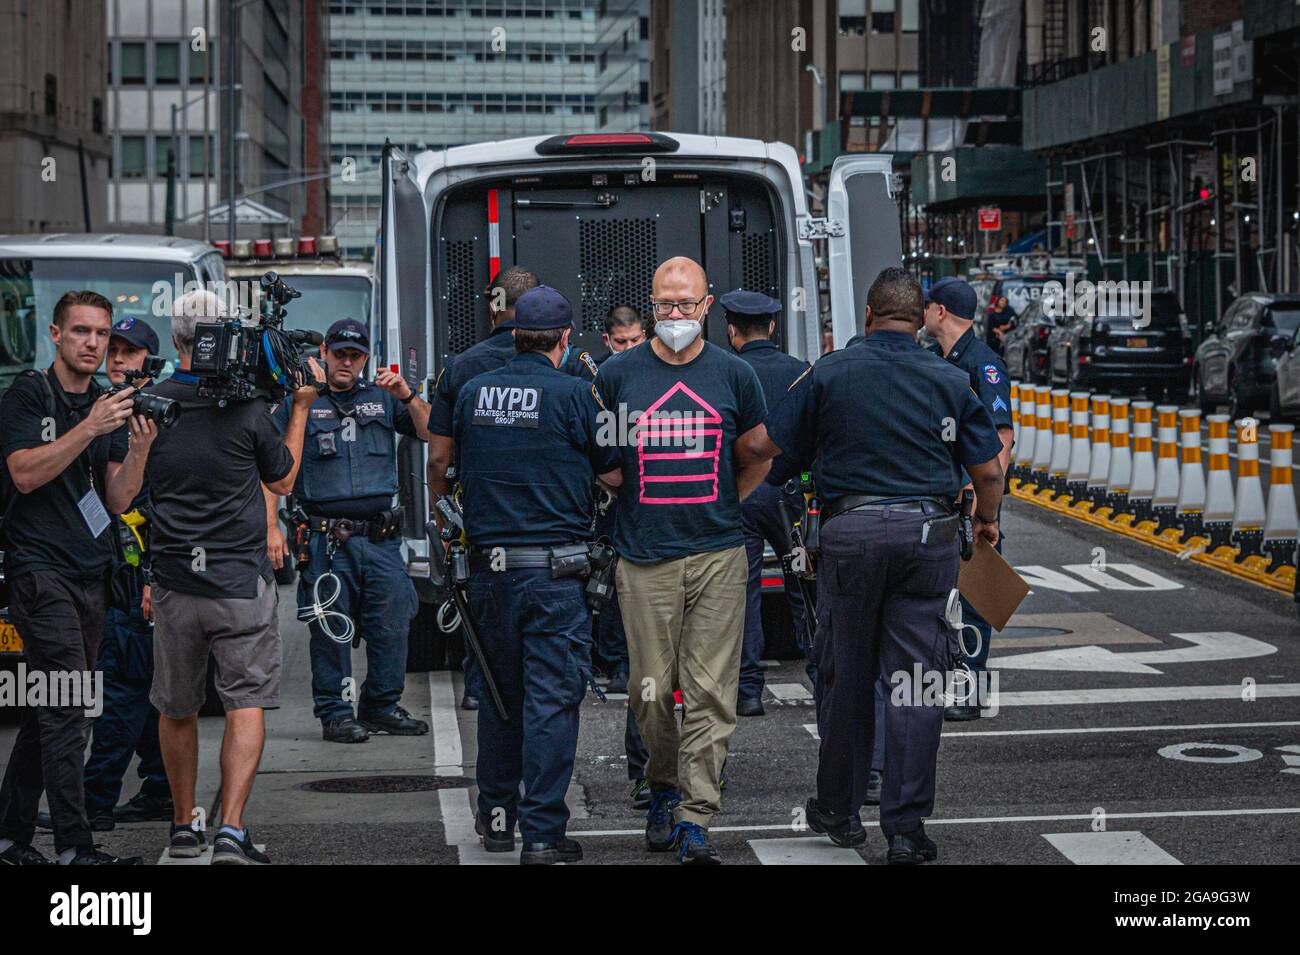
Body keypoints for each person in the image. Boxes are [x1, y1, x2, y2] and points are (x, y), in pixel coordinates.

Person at [738, 267, 1004, 864]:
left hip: (850, 535)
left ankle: (838, 809)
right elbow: (988, 468)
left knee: (844, 674)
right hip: (927, 539)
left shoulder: (828, 373)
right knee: (916, 681)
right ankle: (906, 830)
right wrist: (986, 520)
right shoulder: (949, 378)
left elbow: (774, 455)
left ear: (866, 315)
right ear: (919, 321)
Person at [594, 257, 769, 865]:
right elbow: (608, 464)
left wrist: (725, 505)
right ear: (651, 304)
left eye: (686, 304)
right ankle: (662, 783)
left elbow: (755, 454)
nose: (675, 315)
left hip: (719, 554)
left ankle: (695, 814)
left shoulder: (736, 375)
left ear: (707, 304)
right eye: (665, 305)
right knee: (649, 691)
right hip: (643, 558)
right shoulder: (618, 375)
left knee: (710, 692)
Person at [145, 289, 320, 865]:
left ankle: (181, 823)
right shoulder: (249, 411)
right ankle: (231, 830)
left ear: (176, 341)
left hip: (174, 580)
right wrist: (297, 409)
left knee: (177, 706)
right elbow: (284, 481)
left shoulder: (151, 407)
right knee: (245, 702)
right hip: (239, 581)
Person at [452, 286, 622, 865]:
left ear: (514, 332)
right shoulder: (579, 395)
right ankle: (543, 834)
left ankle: (497, 818)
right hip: (555, 576)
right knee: (550, 701)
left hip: (488, 575)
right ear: (567, 339)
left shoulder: (473, 392)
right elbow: (617, 474)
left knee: (501, 698)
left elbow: (441, 463)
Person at [0, 291, 156, 866]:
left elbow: (116, 500)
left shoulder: (108, 403)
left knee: (53, 708)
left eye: (102, 335)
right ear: (56, 335)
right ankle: (75, 848)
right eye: (83, 332)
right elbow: (23, 474)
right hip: (39, 573)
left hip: (92, 574)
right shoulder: (27, 393)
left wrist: (138, 448)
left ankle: (10, 836)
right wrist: (89, 427)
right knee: (68, 709)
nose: (94, 344)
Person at [427, 265, 594, 710]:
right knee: (551, 694)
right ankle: (542, 781)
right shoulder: (578, 372)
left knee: (496, 690)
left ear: (495, 309)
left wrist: (449, 527)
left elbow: (439, 461)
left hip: (486, 552)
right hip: (558, 558)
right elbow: (607, 465)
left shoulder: (461, 371)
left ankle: (496, 765)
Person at [270, 318, 432, 744]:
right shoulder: (301, 401)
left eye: (354, 355)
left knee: (394, 620)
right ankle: (336, 713)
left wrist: (408, 395)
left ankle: (380, 705)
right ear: (324, 352)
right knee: (329, 627)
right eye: (339, 353)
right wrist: (271, 527)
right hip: (326, 539)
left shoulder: (382, 397)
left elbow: (432, 431)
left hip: (380, 539)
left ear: (364, 358)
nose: (346, 361)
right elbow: (270, 467)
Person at [78, 317, 172, 828]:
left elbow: (158, 507)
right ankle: (159, 788)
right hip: (111, 570)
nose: (116, 358)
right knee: (146, 691)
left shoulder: (149, 418)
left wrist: (155, 578)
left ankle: (94, 804)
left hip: (138, 578)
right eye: (112, 349)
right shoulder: (103, 411)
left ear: (148, 362)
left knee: (120, 691)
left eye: (129, 352)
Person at [922, 277, 1014, 721]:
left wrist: (982, 501)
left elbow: (1001, 436)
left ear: (939, 311)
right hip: (942, 496)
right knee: (943, 600)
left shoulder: (983, 363)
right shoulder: (938, 359)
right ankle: (949, 684)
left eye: (926, 307)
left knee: (976, 601)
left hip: (971, 501)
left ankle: (969, 692)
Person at [721, 289, 811, 717]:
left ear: (731, 330)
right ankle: (820, 672)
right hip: (787, 494)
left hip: (739, 493)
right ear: (773, 327)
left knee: (745, 590)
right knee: (802, 585)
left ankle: (749, 690)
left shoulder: (726, 372)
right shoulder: (801, 372)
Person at [594, 304, 650, 804]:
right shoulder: (602, 381)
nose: (628, 350)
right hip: (619, 513)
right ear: (607, 341)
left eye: (636, 341)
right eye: (620, 342)